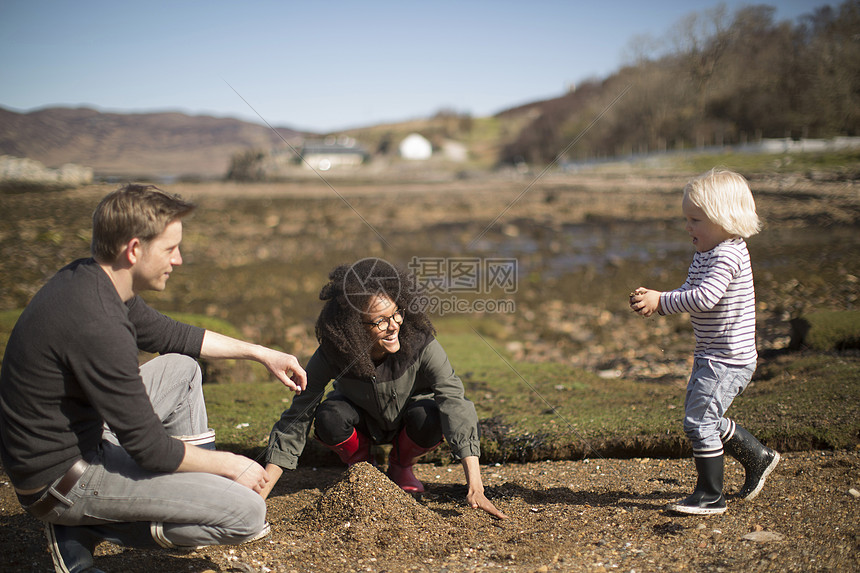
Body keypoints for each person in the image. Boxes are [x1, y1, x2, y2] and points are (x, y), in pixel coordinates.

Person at [0, 184, 308, 573]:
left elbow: (173, 335)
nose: (178, 260)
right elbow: (150, 449)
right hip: (60, 480)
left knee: (182, 368)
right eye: (170, 249)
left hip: (67, 441)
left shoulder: (92, 278)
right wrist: (230, 465)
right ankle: (83, 528)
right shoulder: (101, 325)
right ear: (133, 249)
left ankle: (183, 495)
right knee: (246, 512)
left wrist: (262, 353)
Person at [260, 258, 507, 519]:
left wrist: (476, 487)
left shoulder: (422, 343)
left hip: (410, 421)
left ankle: (401, 466)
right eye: (380, 321)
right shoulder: (332, 353)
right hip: (359, 421)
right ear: (354, 327)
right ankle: (364, 468)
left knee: (431, 416)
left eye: (396, 313)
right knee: (328, 417)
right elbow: (297, 416)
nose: (394, 325)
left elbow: (455, 401)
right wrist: (259, 492)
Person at [629, 168, 780, 516]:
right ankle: (758, 455)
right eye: (687, 219)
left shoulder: (727, 253)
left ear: (725, 220)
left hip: (728, 359)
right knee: (704, 417)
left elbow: (706, 297)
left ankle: (711, 495)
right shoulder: (707, 252)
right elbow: (689, 290)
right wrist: (656, 302)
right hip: (711, 354)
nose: (688, 227)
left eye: (695, 219)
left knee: (698, 422)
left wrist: (661, 300)